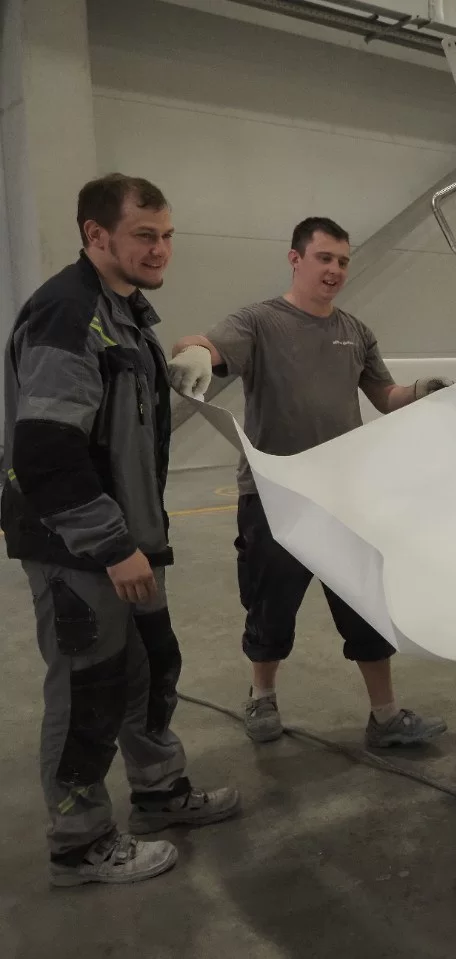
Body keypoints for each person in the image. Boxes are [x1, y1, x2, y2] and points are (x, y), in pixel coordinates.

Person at [1, 174, 241, 887]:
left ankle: (159, 793)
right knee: (90, 687)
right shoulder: (68, 314)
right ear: (95, 235)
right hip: (78, 547)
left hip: (131, 536)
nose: (161, 249)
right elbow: (46, 452)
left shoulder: (126, 313)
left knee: (152, 665)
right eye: (144, 235)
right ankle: (78, 843)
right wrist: (111, 546)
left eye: (167, 235)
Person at [166, 216, 452, 748]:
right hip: (274, 496)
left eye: (343, 261)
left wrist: (422, 390)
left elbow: (385, 396)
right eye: (324, 258)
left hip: (343, 497)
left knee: (365, 607)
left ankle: (386, 716)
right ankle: (262, 697)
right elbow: (203, 342)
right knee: (270, 606)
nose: (335, 270)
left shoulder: (356, 332)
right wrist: (195, 353)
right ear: (295, 259)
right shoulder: (259, 322)